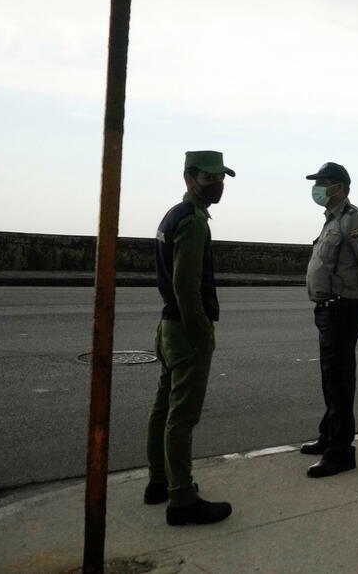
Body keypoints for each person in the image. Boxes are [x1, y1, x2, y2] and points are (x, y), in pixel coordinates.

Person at [145, 150, 234, 525]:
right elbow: (186, 284)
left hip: (167, 325)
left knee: (164, 407)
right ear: (190, 178)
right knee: (182, 415)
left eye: (222, 178)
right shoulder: (194, 221)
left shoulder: (173, 215)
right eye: (211, 178)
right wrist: (202, 334)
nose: (219, 185)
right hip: (185, 329)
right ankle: (182, 499)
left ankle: (158, 482)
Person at [301, 162, 358, 477]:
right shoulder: (332, 220)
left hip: (342, 309)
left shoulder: (353, 220)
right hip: (328, 308)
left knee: (339, 379)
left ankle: (341, 451)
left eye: (323, 182)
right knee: (330, 376)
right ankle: (328, 436)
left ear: (340, 187)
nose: (317, 188)